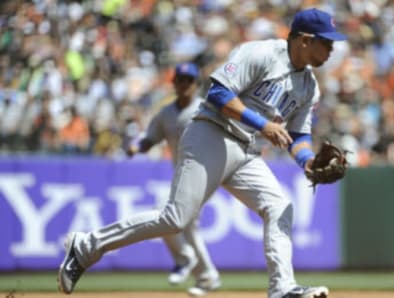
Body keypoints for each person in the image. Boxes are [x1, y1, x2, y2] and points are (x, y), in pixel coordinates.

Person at [58, 8, 347, 298]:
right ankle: (87, 246)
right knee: (176, 219)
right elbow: (218, 93)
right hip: (211, 133)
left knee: (280, 206)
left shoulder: (309, 87)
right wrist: (264, 124)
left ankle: (282, 288)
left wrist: (307, 161)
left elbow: (298, 135)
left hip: (245, 151)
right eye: (327, 42)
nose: (332, 49)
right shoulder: (262, 53)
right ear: (305, 40)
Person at [126, 62, 221, 296]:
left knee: (168, 214)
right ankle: (207, 275)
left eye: (189, 80)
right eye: (181, 79)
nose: (185, 84)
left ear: (197, 84)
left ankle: (185, 258)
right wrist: (136, 146)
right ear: (174, 82)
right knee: (187, 225)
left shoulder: (207, 109)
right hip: (182, 175)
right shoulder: (166, 114)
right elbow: (149, 140)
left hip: (207, 172)